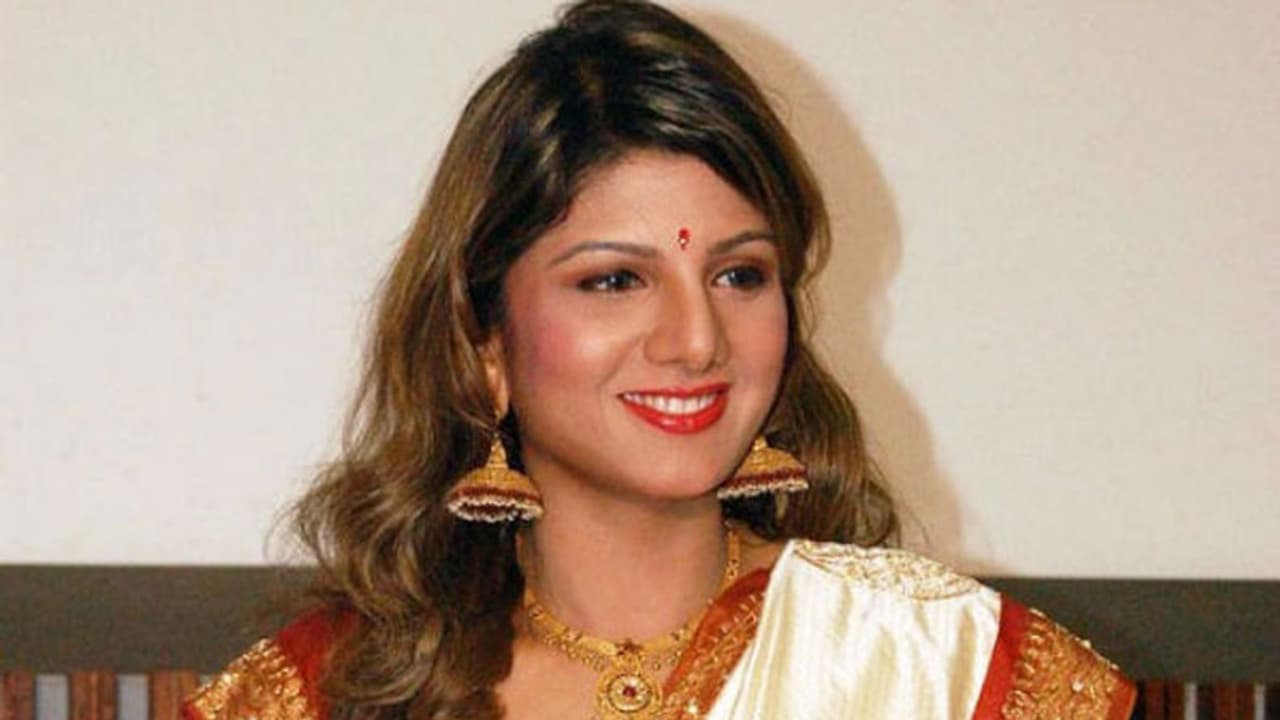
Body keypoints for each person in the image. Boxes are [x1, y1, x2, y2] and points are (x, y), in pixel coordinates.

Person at [183, 2, 1135, 719]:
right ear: (483, 342)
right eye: (614, 281)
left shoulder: (942, 672)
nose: (697, 340)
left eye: (740, 275)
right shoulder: (329, 693)